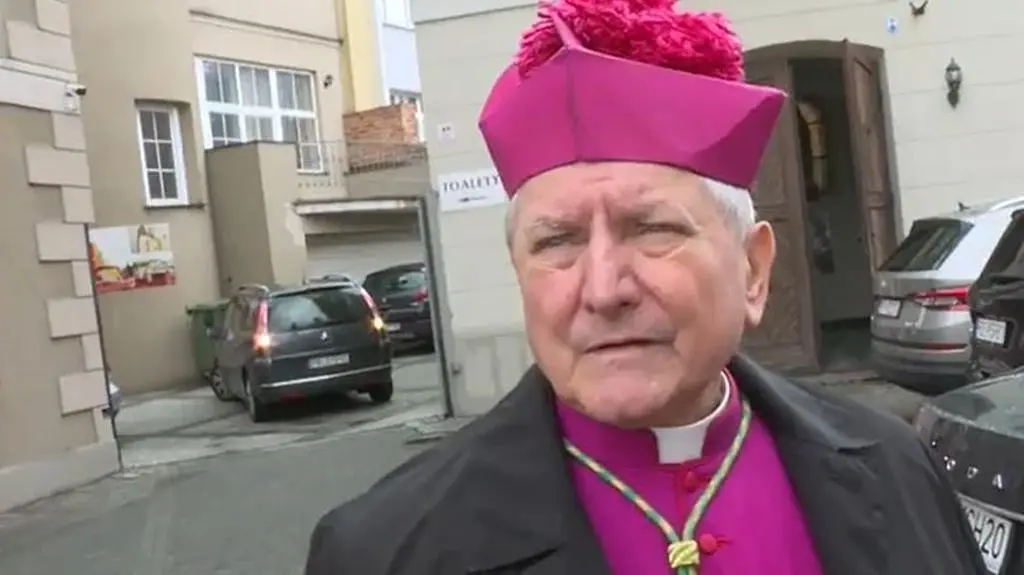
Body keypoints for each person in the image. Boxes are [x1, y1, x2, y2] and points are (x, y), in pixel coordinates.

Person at [304, 1, 986, 574]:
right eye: (557, 241)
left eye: (652, 228)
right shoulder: (382, 550)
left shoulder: (897, 467)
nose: (603, 289)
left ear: (753, 270)